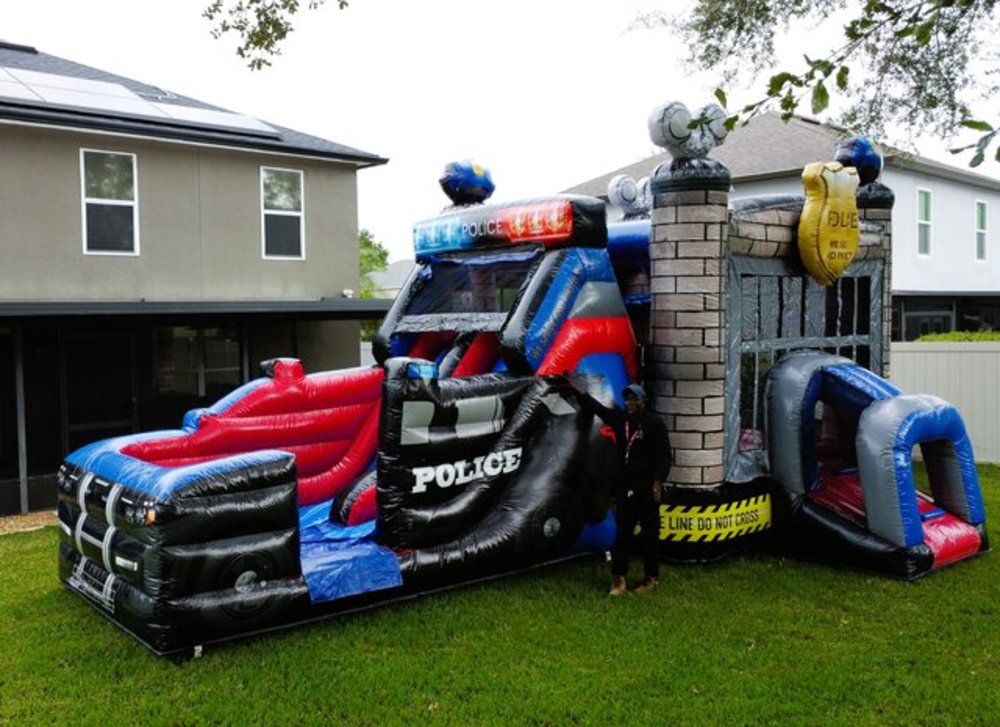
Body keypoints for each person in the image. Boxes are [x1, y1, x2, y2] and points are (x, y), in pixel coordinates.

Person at [605, 383, 671, 596]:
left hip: (648, 489)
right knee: (622, 535)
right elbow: (600, 410)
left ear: (644, 400)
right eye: (627, 399)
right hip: (626, 488)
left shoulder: (654, 424)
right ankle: (618, 579)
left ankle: (651, 578)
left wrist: (658, 483)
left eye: (634, 399)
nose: (629, 403)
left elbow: (665, 456)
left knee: (650, 535)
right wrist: (580, 393)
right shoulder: (622, 420)